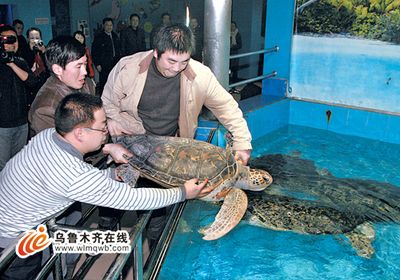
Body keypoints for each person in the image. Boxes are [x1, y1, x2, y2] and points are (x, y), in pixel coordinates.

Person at [0, 93, 210, 279]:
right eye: (102, 127)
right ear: (80, 133)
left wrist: (111, 174)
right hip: (13, 239)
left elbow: (77, 178)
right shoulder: (72, 174)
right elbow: (134, 199)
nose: (106, 132)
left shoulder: (48, 137)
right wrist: (183, 192)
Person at [102, 23, 252, 245]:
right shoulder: (128, 68)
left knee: (157, 213)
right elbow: (107, 102)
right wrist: (112, 119)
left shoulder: (200, 75)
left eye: (184, 61)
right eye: (171, 61)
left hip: (166, 154)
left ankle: (152, 256)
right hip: (131, 142)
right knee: (112, 200)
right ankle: (106, 234)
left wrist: (242, 142)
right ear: (155, 52)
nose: (177, 68)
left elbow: (226, 107)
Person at [28, 35, 96, 136]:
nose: (85, 72)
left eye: (85, 64)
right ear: (57, 70)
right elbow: (61, 148)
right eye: (78, 66)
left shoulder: (87, 84)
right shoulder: (45, 108)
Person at [0, 24, 38, 171]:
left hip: (21, 123)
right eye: (7, 40)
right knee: (3, 166)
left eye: (14, 40)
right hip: (2, 125)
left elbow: (32, 82)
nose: (11, 44)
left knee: (17, 165)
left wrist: (12, 64)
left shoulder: (20, 62)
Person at [91, 17, 121, 96]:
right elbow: (94, 52)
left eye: (111, 25)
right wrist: (97, 64)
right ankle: (103, 101)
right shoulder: (99, 37)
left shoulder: (115, 36)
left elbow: (119, 49)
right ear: (103, 26)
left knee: (114, 83)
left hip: (115, 63)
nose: (109, 27)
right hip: (104, 65)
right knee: (104, 84)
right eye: (107, 25)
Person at [25, 27, 50, 105]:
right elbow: (27, 66)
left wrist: (43, 52)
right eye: (32, 38)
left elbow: (49, 66)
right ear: (28, 39)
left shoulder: (45, 50)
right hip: (31, 86)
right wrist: (31, 51)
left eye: (37, 38)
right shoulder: (24, 51)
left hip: (44, 83)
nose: (35, 40)